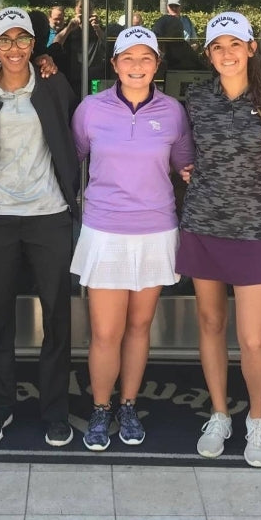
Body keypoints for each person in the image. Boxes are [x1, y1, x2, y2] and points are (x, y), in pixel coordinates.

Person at [0, 7, 80, 448]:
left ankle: (55, 410)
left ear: (35, 45)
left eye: (23, 39)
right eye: (4, 41)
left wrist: (51, 64)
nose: (14, 48)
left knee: (57, 316)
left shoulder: (51, 83)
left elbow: (71, 130)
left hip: (49, 215)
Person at [71, 26, 194, 450]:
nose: (137, 66)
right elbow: (74, 156)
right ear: (115, 64)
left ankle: (128, 403)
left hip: (156, 229)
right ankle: (101, 408)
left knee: (140, 326)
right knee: (106, 331)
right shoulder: (90, 109)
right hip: (105, 230)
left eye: (146, 58)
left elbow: (183, 164)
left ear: (157, 64)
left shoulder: (174, 111)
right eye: (128, 58)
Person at [178, 12, 261, 467]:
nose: (226, 53)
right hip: (202, 223)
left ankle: (257, 419)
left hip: (253, 229)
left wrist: (248, 194)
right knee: (210, 324)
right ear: (208, 53)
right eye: (217, 46)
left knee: (254, 338)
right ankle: (220, 413)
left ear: (251, 48)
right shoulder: (195, 98)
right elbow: (183, 152)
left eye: (234, 45)